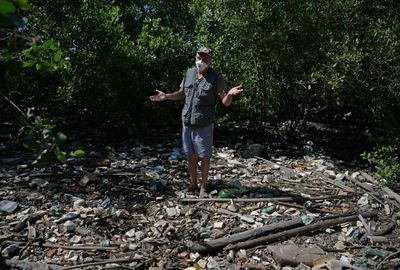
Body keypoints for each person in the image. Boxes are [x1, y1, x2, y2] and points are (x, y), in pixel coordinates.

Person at [150, 47, 243, 197]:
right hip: (187, 122)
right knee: (191, 155)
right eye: (199, 56)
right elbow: (181, 94)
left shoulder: (216, 77)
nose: (201, 60)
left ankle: (203, 186)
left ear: (210, 60)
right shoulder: (189, 73)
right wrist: (166, 96)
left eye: (205, 58)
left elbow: (225, 102)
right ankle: (193, 184)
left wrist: (230, 94)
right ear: (195, 57)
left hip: (204, 124)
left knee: (204, 157)